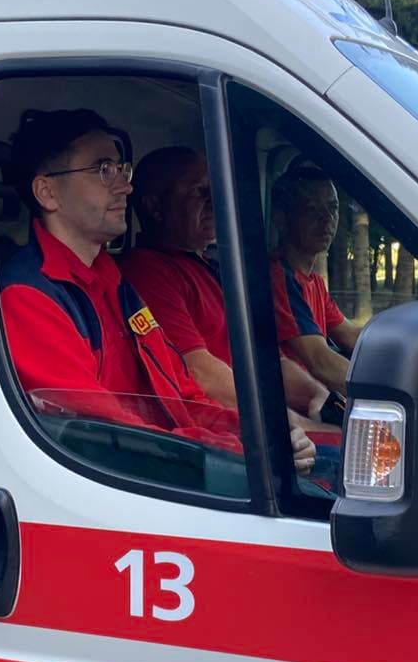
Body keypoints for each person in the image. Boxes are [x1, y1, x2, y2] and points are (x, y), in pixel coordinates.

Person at [0, 109, 245, 454]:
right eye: (103, 170)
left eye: (121, 169)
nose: (126, 186)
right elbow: (105, 434)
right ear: (47, 192)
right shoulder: (28, 298)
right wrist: (229, 450)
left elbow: (181, 393)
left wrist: (254, 434)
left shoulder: (116, 283)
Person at [121, 146, 328, 442]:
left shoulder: (212, 267)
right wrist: (296, 425)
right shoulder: (147, 272)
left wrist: (317, 396)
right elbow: (201, 373)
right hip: (227, 436)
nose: (215, 202)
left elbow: (266, 358)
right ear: (155, 207)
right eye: (200, 192)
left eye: (216, 191)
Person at [269, 165, 364, 397]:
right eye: (312, 209)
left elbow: (351, 336)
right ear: (281, 218)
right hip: (298, 404)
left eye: (333, 208)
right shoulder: (278, 278)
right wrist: (386, 391)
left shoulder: (314, 283)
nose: (327, 219)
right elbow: (320, 362)